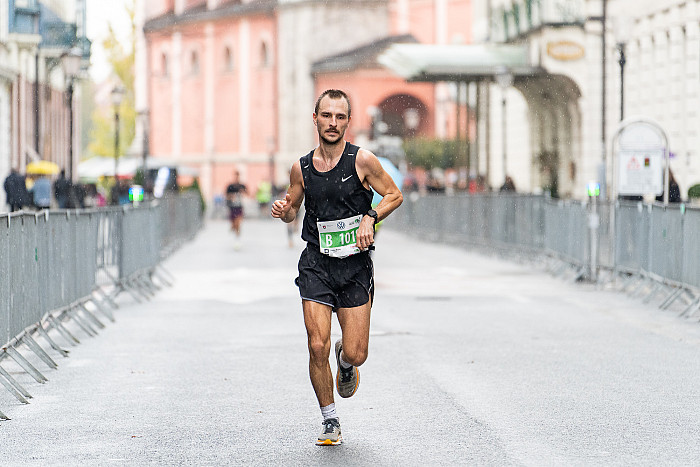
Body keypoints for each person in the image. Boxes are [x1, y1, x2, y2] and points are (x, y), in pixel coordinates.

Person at [271, 89, 403, 446]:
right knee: (317, 345)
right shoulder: (301, 167)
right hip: (316, 263)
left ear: (348, 121)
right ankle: (330, 420)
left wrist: (370, 218)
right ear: (315, 119)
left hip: (355, 267)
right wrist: (284, 211)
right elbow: (292, 208)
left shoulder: (363, 161)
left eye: (340, 117)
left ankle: (345, 364)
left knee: (358, 352)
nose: (333, 123)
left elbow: (394, 195)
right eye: (326, 115)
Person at [226, 171, 247, 247]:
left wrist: (243, 192)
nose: (236, 178)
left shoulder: (242, 186)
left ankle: (237, 239)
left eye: (237, 176)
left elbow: (248, 194)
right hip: (232, 207)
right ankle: (233, 227)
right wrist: (232, 197)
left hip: (239, 207)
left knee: (238, 222)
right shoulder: (230, 186)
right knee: (234, 223)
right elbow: (226, 196)